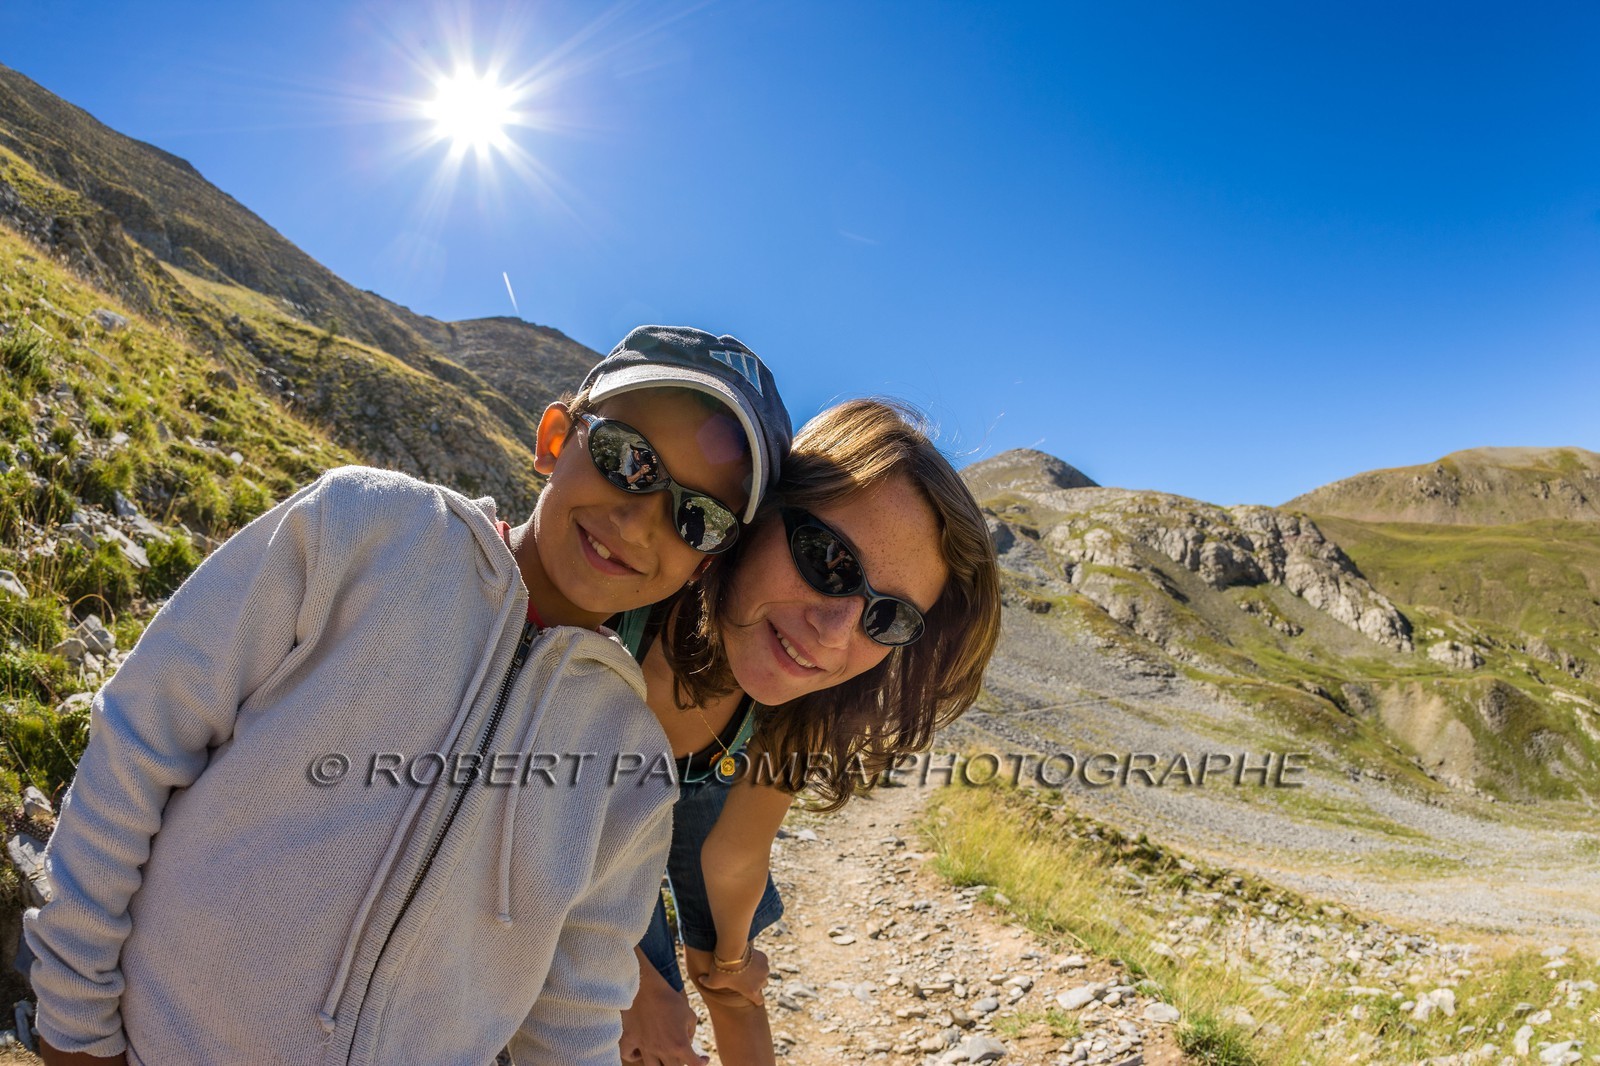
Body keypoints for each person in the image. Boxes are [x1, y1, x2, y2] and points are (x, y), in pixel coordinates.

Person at [24, 325, 793, 1066]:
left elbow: (574, 1019)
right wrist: (75, 1022)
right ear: (555, 438)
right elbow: (137, 746)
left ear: (705, 563)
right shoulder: (361, 531)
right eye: (628, 460)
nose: (641, 519)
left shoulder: (628, 761)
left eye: (698, 516)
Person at [617, 399, 1002, 1066]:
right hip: (563, 807)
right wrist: (630, 983)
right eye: (828, 560)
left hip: (704, 779)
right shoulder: (615, 620)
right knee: (628, 1015)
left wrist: (732, 968)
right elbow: (510, 837)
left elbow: (736, 854)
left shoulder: (798, 704)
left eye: (887, 618)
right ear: (760, 514)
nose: (832, 635)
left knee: (732, 979)